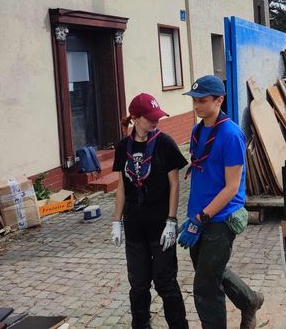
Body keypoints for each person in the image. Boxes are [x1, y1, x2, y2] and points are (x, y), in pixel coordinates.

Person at [178, 75, 264, 329]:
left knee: (204, 285)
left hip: (221, 217)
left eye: (203, 101)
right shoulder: (197, 131)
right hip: (199, 215)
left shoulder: (230, 135)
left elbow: (231, 187)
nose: (197, 106)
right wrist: (193, 216)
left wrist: (201, 219)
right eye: (194, 100)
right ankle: (250, 300)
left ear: (219, 100)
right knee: (210, 272)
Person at [111, 93, 189, 329]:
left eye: (157, 116)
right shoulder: (123, 147)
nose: (156, 121)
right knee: (138, 285)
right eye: (150, 117)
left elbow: (175, 184)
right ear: (135, 118)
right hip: (135, 228)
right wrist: (117, 221)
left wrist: (172, 220)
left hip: (160, 226)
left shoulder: (164, 143)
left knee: (165, 282)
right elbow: (122, 186)